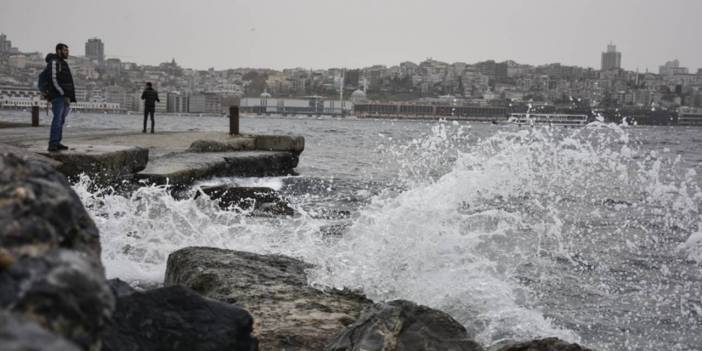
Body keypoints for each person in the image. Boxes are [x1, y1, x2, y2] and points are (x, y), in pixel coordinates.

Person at [46, 43, 76, 152]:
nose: (67, 52)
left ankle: (57, 142)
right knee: (57, 119)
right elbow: (53, 79)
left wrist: (69, 97)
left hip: (65, 97)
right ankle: (53, 143)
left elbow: (67, 82)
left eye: (67, 51)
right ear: (58, 51)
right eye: (65, 50)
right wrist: (63, 94)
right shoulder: (54, 62)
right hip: (58, 97)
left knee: (61, 120)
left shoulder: (63, 63)